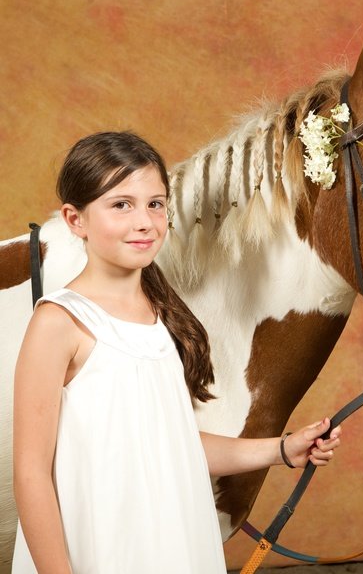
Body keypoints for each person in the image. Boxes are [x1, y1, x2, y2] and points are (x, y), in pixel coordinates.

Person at [12, 131, 341, 573]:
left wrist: (282, 450)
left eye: (156, 203)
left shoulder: (163, 317)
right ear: (75, 220)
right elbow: (31, 474)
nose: (145, 221)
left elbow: (173, 446)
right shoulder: (59, 322)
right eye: (120, 204)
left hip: (170, 545)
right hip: (103, 549)